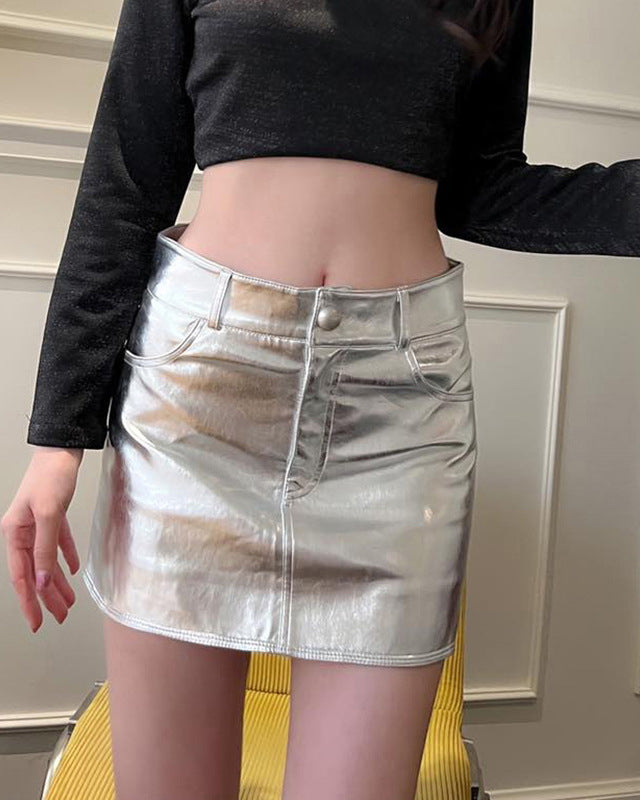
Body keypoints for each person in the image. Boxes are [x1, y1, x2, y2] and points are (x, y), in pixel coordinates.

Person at [3, 0, 639, 798]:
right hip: (197, 400)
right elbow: (127, 179)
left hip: (400, 414)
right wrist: (58, 440)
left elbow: (480, 185)